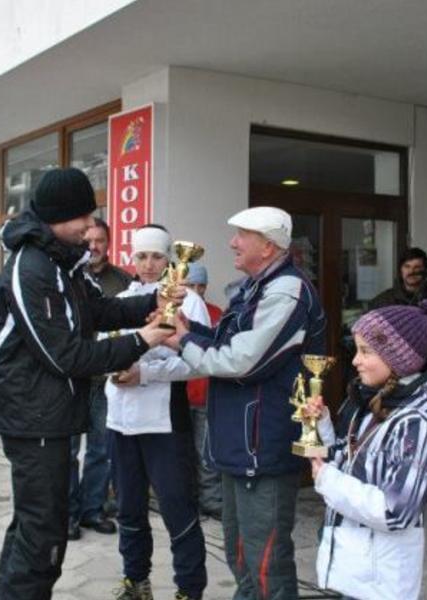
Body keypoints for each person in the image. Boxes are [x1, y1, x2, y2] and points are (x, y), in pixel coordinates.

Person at [0, 168, 178, 600]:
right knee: (44, 536)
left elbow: (100, 310)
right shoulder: (32, 267)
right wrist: (143, 340)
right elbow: (66, 355)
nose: (91, 229)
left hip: (46, 414)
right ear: (58, 217)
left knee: (32, 527)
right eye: (85, 219)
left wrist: (154, 303)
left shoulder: (60, 261)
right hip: (32, 417)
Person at [163, 206, 326, 600]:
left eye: (241, 235)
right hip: (239, 445)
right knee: (240, 553)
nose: (232, 242)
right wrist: (187, 327)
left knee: (265, 558)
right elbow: (225, 341)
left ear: (268, 247)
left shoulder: (288, 291)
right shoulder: (256, 286)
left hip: (262, 447)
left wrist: (182, 342)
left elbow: (242, 361)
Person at [305, 300, 427, 600]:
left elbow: (395, 512)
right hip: (356, 574)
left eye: (366, 351)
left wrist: (329, 480)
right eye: (356, 349)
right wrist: (324, 425)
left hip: (380, 584)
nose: (355, 360)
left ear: (399, 360)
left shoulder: (415, 426)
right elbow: (350, 460)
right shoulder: (372, 407)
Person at [106, 225, 210, 600]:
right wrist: (113, 368)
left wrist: (144, 372)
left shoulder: (187, 299)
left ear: (169, 259)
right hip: (120, 421)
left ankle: (189, 589)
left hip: (166, 421)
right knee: (129, 508)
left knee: (177, 509)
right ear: (131, 259)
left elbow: (200, 362)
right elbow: (104, 348)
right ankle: (136, 581)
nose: (148, 265)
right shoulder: (124, 297)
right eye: (141, 256)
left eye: (157, 256)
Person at [370, 247, 427, 508]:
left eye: (417, 268)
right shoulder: (383, 300)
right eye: (407, 267)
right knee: (390, 428)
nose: (412, 273)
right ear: (400, 270)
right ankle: (390, 484)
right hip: (393, 374)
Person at [68, 218, 133, 540]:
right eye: (88, 240)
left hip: (106, 381)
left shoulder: (123, 281)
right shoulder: (68, 278)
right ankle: (67, 514)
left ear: (109, 243)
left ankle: (92, 511)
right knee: (67, 451)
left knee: (100, 450)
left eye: (100, 241)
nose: (93, 246)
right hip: (71, 379)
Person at [183, 262, 224, 519]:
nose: (196, 290)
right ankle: (188, 504)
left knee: (206, 451)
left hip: (208, 394)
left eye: (201, 285)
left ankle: (211, 501)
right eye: (190, 285)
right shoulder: (178, 310)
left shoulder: (217, 312)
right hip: (181, 394)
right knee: (182, 453)